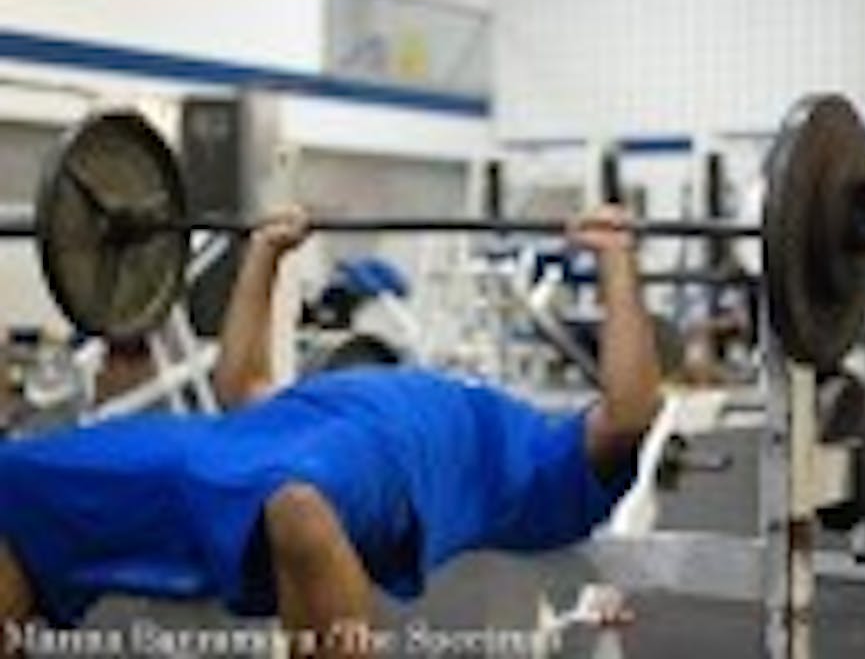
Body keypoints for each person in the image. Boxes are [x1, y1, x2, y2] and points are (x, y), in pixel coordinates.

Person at [0, 205, 661, 659]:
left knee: (297, 501)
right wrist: (265, 254)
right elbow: (241, 386)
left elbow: (632, 411)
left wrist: (616, 262)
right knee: (19, 474)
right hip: (258, 437)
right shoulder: (406, 392)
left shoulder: (553, 469)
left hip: (374, 464)